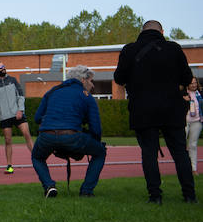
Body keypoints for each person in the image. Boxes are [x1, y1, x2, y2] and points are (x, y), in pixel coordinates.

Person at [114, 20, 197, 204]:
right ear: (162, 31)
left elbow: (118, 78)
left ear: (142, 31)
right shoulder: (174, 48)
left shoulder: (129, 50)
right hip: (171, 108)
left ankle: (155, 196)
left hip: (142, 108)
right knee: (180, 152)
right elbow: (186, 76)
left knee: (149, 153)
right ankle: (190, 195)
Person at [30, 65, 107, 198]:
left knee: (37, 157)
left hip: (46, 135)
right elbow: (95, 127)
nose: (92, 85)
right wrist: (95, 141)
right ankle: (87, 191)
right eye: (91, 81)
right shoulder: (87, 96)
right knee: (100, 152)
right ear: (83, 80)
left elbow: (37, 118)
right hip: (72, 136)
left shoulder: (52, 91)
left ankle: (49, 185)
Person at [0, 60, 34, 174]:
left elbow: (21, 96)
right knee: (8, 141)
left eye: (3, 66)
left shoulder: (12, 80)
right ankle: (9, 165)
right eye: (0, 67)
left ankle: (37, 160)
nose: (3, 68)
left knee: (27, 135)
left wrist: (20, 110)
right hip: (5, 117)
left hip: (18, 114)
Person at [186, 77, 201, 174]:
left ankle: (193, 168)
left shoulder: (199, 94)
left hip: (197, 122)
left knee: (193, 145)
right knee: (181, 144)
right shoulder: (183, 93)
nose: (194, 85)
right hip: (184, 122)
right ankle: (184, 166)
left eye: (195, 83)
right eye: (191, 83)